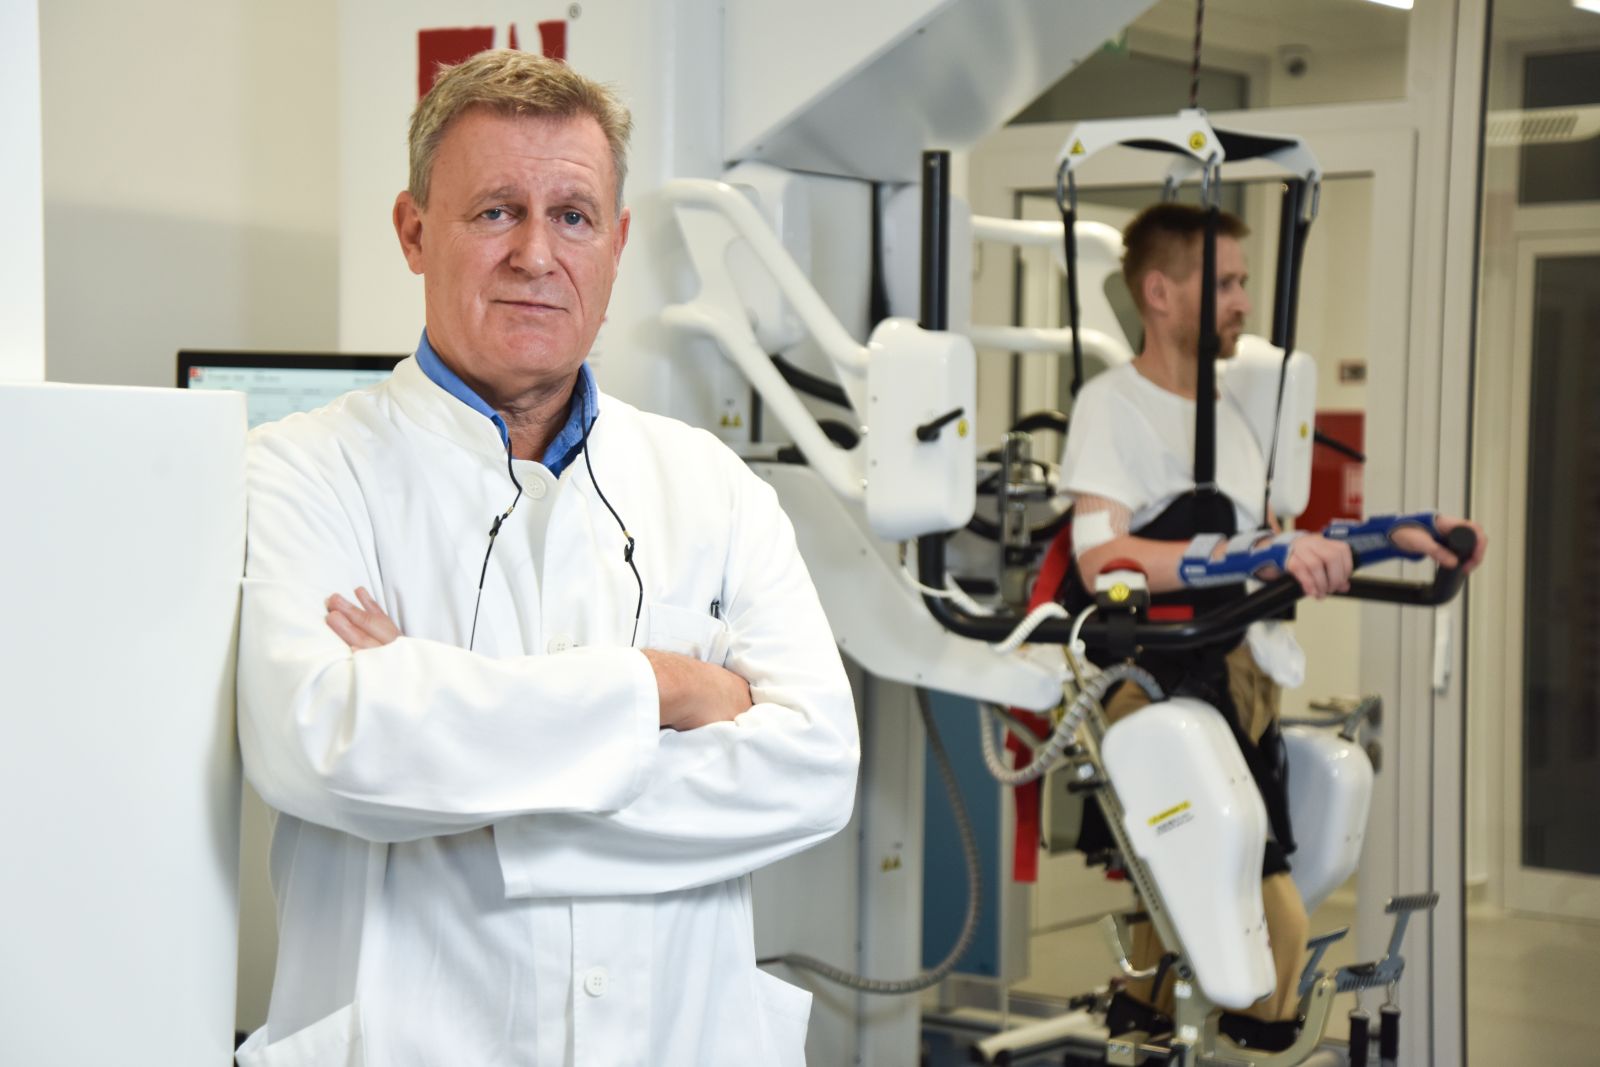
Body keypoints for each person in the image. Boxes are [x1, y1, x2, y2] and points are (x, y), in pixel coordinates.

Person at [235, 50, 859, 1067]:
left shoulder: (713, 485)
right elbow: (327, 746)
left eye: (572, 215)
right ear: (412, 230)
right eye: (494, 212)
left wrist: (448, 752)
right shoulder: (299, 471)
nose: (536, 252)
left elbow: (815, 770)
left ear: (614, 245)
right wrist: (665, 686)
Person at [1056, 203, 1486, 1045]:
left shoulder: (1237, 412)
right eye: (1224, 283)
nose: (1243, 302)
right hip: (1153, 677)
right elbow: (1101, 557)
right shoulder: (1113, 406)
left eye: (1245, 282)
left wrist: (1386, 536)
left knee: (1200, 907)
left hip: (1239, 674)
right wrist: (1251, 555)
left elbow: (1272, 544)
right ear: (1159, 291)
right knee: (1270, 926)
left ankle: (1144, 1013)